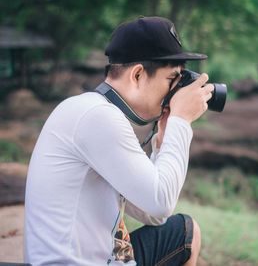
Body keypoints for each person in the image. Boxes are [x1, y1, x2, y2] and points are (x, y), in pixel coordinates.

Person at [24, 16, 214, 266]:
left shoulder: (93, 111)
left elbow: (150, 213)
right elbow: (160, 204)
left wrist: (163, 139)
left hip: (99, 258)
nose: (174, 92)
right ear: (137, 75)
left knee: (184, 231)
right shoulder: (98, 117)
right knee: (185, 230)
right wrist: (181, 120)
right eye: (172, 80)